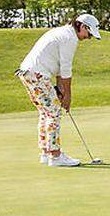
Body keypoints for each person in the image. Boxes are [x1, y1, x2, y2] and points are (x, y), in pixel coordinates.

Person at [16, 13, 101, 167]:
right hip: (38, 74)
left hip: (29, 73)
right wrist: (67, 96)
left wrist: (60, 89)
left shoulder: (62, 32)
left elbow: (59, 69)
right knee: (54, 112)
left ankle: (45, 152)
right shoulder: (70, 38)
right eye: (89, 34)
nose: (89, 38)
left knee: (46, 112)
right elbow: (66, 70)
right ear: (82, 26)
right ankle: (55, 156)